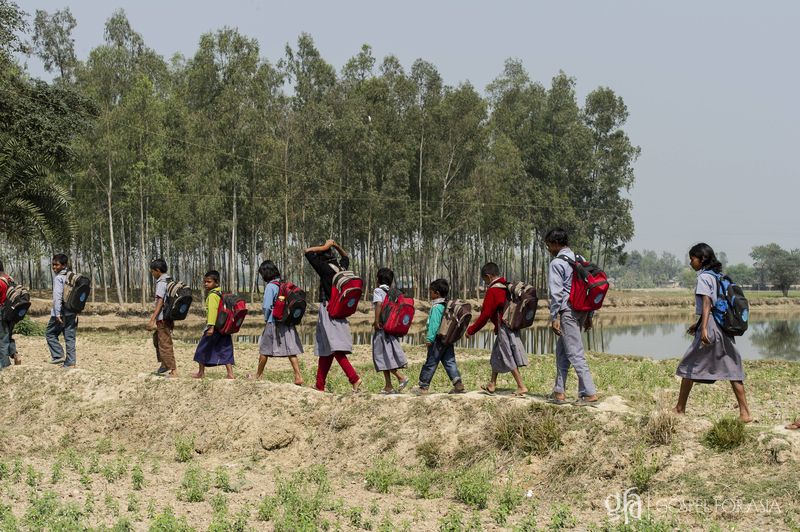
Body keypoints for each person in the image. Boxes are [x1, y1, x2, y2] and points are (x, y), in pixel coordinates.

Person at [674, 243, 752, 422]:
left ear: (701, 259)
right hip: (722, 326)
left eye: (692, 259)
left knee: (689, 365)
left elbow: (707, 303)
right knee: (732, 366)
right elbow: (718, 305)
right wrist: (698, 323)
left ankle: (679, 409)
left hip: (711, 327)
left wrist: (703, 328)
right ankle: (745, 413)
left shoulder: (703, 278)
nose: (690, 263)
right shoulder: (718, 276)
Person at [545, 228, 598, 406]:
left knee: (575, 352)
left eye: (548, 245)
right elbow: (590, 287)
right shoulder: (579, 259)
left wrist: (554, 317)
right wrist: (589, 314)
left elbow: (556, 294)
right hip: (582, 310)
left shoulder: (556, 263)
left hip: (567, 312)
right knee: (562, 352)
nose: (548, 249)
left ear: (555, 244)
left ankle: (589, 393)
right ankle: (559, 391)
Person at [305, 239, 361, 393]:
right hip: (340, 310)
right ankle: (319, 385)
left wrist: (324, 246)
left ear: (322, 257)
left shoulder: (324, 269)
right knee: (326, 348)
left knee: (335, 348)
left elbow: (307, 252)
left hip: (328, 310)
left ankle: (354, 378)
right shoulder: (341, 268)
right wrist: (336, 246)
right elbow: (346, 257)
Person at [465, 262, 528, 396]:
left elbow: (485, 315)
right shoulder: (506, 286)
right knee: (497, 354)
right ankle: (492, 384)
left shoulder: (493, 290)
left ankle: (521, 386)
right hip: (508, 325)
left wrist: (471, 330)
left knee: (506, 354)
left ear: (488, 276)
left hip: (504, 327)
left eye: (485, 280)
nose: (485, 283)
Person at [251, 260, 304, 385]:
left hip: (273, 321)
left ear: (265, 273)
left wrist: (266, 319)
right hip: (287, 321)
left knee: (264, 350)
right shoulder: (283, 283)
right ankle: (298, 376)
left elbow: (267, 306)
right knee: (291, 350)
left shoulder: (270, 286)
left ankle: (258, 375)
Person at [413, 278, 465, 395]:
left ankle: (423, 387)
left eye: (431, 292)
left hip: (437, 340)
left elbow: (434, 325)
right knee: (450, 361)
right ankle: (458, 384)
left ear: (436, 293)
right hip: (447, 339)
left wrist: (429, 339)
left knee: (431, 362)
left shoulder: (436, 307)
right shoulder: (446, 306)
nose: (430, 294)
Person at [372, 267, 409, 394]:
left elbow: (379, 305)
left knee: (382, 356)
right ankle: (388, 386)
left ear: (378, 279)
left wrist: (376, 321)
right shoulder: (394, 292)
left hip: (382, 329)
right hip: (391, 328)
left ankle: (401, 377)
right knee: (384, 356)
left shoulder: (378, 290)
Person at [192, 270, 235, 379]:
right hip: (223, 327)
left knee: (202, 348)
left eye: (209, 282)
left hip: (214, 327)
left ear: (216, 283)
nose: (206, 284)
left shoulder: (212, 296)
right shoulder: (220, 293)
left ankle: (201, 372)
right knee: (225, 349)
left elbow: (212, 311)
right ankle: (230, 374)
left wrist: (210, 327)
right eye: (205, 282)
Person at [45, 254, 78, 369]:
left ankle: (58, 355)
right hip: (71, 312)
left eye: (57, 265)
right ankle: (71, 363)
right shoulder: (71, 277)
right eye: (53, 265)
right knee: (69, 337)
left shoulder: (59, 278)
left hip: (60, 313)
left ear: (64, 265)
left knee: (50, 334)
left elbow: (57, 296)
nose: (54, 267)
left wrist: (57, 313)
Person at [146, 258, 177, 377]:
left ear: (157, 270)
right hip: (169, 317)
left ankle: (173, 370)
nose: (152, 274)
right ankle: (164, 365)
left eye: (153, 272)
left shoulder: (161, 283)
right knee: (157, 339)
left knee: (165, 343)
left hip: (162, 318)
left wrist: (152, 319)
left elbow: (160, 301)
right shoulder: (170, 280)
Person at [0, 260, 21, 368]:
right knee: (7, 336)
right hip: (11, 313)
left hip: (2, 313)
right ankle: (15, 354)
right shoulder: (9, 278)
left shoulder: (0, 282)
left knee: (2, 341)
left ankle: (5, 366)